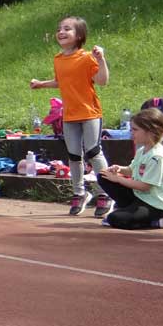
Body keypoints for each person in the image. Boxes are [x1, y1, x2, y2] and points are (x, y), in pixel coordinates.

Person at [30, 16, 112, 217]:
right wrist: (41, 84)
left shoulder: (86, 58)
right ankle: (79, 193)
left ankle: (106, 193)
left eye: (67, 29)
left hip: (89, 112)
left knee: (93, 151)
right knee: (74, 155)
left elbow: (102, 81)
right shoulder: (58, 59)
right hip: (70, 115)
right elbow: (61, 81)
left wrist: (101, 60)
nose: (61, 32)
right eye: (59, 29)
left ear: (79, 35)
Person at [97, 108, 163, 230]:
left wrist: (118, 179)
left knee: (114, 219)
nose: (131, 133)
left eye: (135, 130)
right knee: (103, 176)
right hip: (141, 198)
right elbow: (132, 170)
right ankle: (130, 210)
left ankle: (155, 220)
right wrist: (119, 169)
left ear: (150, 132)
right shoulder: (142, 150)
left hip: (156, 205)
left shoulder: (157, 156)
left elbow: (145, 186)